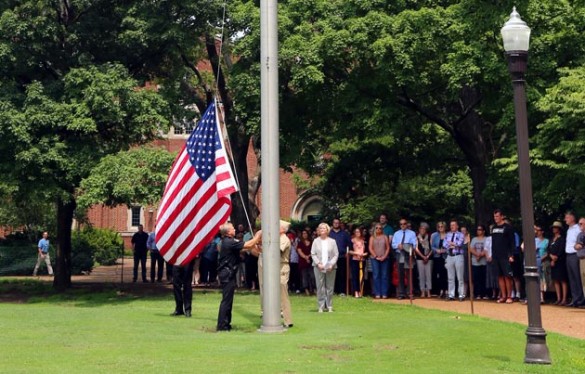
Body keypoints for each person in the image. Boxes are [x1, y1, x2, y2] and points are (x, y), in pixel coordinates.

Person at [216, 223, 262, 331]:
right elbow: (248, 245)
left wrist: (255, 243)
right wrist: (257, 236)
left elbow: (244, 248)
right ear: (228, 232)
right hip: (227, 273)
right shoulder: (229, 242)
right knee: (226, 300)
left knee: (229, 300)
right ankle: (222, 325)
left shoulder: (230, 242)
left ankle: (226, 323)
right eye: (232, 228)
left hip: (228, 273)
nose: (235, 229)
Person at [311, 222, 339, 312]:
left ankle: (329, 305)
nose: (322, 230)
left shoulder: (332, 241)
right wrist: (318, 263)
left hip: (330, 267)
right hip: (319, 267)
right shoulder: (315, 241)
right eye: (320, 228)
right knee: (320, 287)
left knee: (330, 287)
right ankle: (321, 306)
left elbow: (336, 254)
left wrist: (331, 264)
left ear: (327, 230)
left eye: (324, 228)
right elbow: (313, 253)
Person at [490, 210, 516, 304]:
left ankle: (509, 296)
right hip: (496, 256)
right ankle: (503, 296)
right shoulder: (493, 228)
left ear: (501, 216)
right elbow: (493, 243)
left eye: (497, 216)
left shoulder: (508, 228)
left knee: (507, 276)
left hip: (505, 255)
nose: (495, 218)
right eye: (494, 216)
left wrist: (511, 255)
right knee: (500, 276)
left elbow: (512, 242)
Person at [391, 219, 417, 299]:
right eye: (401, 224)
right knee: (400, 274)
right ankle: (401, 293)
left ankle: (410, 293)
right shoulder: (396, 233)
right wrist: (398, 246)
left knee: (409, 274)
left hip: (408, 254)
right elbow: (393, 244)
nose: (403, 225)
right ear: (399, 225)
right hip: (399, 253)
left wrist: (406, 246)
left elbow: (414, 244)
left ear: (407, 224)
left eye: (404, 224)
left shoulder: (412, 233)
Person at [564, 211, 585, 307]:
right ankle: (575, 299)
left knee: (577, 277)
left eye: (567, 217)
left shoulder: (578, 229)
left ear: (572, 218)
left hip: (575, 254)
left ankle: (581, 299)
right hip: (568, 254)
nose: (565, 219)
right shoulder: (568, 229)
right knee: (571, 278)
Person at [443, 219, 465, 301]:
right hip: (449, 256)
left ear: (457, 226)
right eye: (451, 225)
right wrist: (452, 245)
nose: (452, 226)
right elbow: (444, 244)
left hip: (458, 255)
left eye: (454, 225)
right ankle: (451, 294)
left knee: (460, 276)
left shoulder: (461, 234)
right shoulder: (447, 234)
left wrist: (452, 244)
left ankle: (461, 295)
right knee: (450, 277)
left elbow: (459, 243)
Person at [329, 218, 351, 296]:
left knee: (342, 274)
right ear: (333, 224)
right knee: (332, 274)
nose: (336, 224)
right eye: (335, 223)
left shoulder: (345, 234)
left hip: (342, 257)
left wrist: (347, 252)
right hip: (331, 257)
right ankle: (334, 290)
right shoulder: (329, 234)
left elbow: (349, 244)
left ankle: (342, 291)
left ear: (340, 224)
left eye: (337, 223)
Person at [548, 221, 568, 305]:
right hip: (552, 260)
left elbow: (561, 250)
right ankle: (558, 298)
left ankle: (564, 298)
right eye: (553, 227)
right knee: (555, 280)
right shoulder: (551, 239)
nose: (554, 229)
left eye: (555, 227)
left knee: (562, 280)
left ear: (559, 229)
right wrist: (551, 256)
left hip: (560, 261)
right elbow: (548, 249)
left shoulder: (562, 239)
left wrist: (555, 258)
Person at [369, 223, 390, 299]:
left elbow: (388, 247)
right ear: (375, 229)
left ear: (382, 229)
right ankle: (377, 293)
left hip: (384, 258)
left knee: (384, 276)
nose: (378, 229)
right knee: (376, 275)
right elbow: (370, 248)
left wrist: (384, 256)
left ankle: (384, 293)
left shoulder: (385, 237)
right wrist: (376, 256)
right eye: (377, 228)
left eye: (380, 228)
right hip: (375, 258)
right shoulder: (372, 237)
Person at [279, 221, 294, 327]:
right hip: (277, 267)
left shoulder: (284, 239)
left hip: (282, 267)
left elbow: (277, 250)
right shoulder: (279, 238)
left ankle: (288, 320)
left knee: (283, 294)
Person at [470, 225, 488, 299]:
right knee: (476, 278)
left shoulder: (486, 239)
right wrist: (476, 254)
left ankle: (485, 294)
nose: (478, 231)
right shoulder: (474, 239)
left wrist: (480, 255)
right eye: (477, 229)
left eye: (480, 229)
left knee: (484, 278)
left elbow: (487, 248)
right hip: (475, 262)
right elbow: (471, 248)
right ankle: (478, 294)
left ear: (483, 231)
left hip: (484, 262)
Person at [348, 227, 368, 298]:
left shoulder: (364, 240)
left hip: (362, 260)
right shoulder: (352, 241)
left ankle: (361, 291)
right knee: (355, 276)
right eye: (356, 232)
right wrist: (356, 253)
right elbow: (349, 251)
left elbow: (367, 252)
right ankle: (356, 291)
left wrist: (363, 254)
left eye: (359, 232)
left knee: (362, 276)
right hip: (354, 260)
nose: (357, 233)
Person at [414, 223, 433, 298]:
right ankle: (422, 291)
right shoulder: (417, 237)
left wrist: (427, 256)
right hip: (419, 258)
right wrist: (422, 256)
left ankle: (428, 291)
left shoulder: (429, 237)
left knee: (428, 275)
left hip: (429, 258)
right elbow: (416, 248)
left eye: (424, 229)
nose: (422, 230)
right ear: (419, 230)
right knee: (421, 275)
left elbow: (432, 247)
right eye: (421, 228)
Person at [431, 221, 448, 298]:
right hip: (437, 257)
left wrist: (445, 250)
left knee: (446, 274)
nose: (440, 228)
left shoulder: (448, 235)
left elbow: (450, 246)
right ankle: (441, 290)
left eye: (442, 226)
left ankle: (447, 290)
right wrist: (436, 250)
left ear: (445, 227)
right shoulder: (435, 236)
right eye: (439, 227)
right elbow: (432, 246)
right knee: (439, 274)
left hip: (446, 257)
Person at [296, 229, 315, 295]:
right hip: (303, 261)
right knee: (304, 276)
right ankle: (306, 289)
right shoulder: (300, 243)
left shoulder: (312, 242)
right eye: (303, 233)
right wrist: (305, 257)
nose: (304, 235)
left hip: (311, 261)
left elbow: (314, 251)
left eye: (305, 233)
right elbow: (299, 251)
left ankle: (313, 288)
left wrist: (309, 256)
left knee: (312, 276)